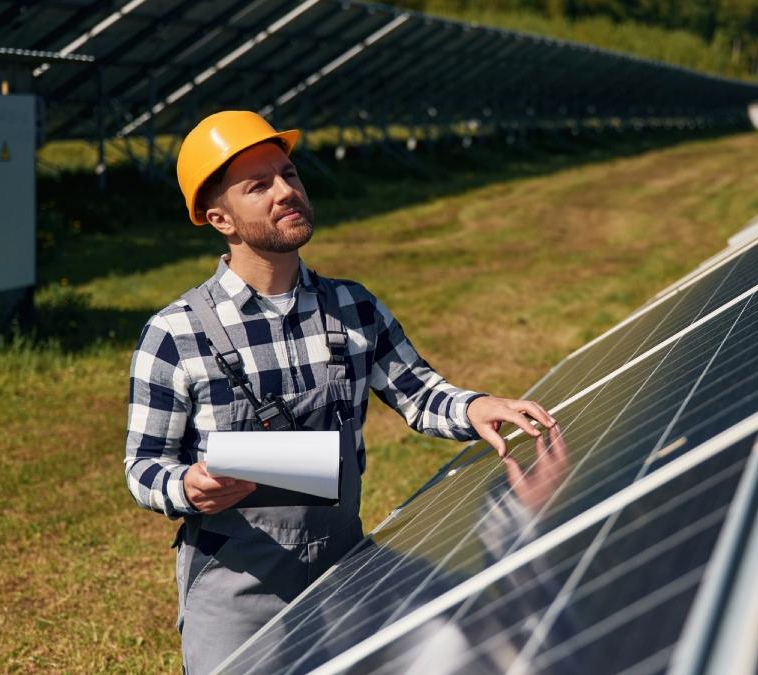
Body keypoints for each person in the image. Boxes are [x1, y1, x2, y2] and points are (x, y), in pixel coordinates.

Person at [123, 110, 557, 674]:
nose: (287, 192)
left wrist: (474, 405)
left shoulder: (352, 307)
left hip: (343, 563)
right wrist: (188, 485)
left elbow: (418, 393)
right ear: (218, 218)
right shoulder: (175, 335)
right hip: (236, 584)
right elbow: (143, 467)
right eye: (260, 186)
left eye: (290, 174)